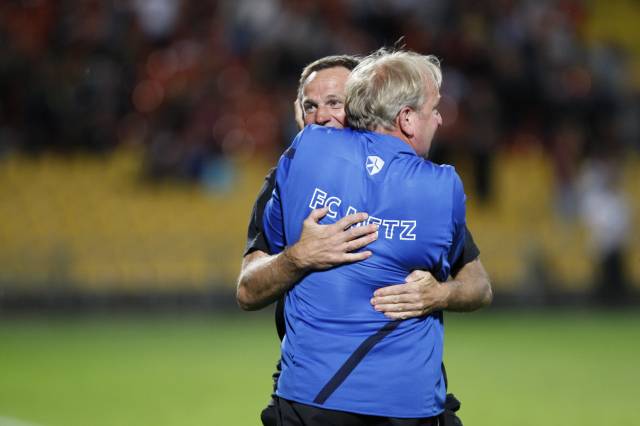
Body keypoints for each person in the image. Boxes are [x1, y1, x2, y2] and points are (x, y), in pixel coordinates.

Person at [237, 54, 491, 425]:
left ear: (362, 107)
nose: (322, 117)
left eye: (335, 103)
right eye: (310, 106)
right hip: (315, 391)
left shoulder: (422, 193)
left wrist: (441, 293)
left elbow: (479, 284)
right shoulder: (292, 171)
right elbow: (246, 290)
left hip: (397, 401)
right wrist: (297, 257)